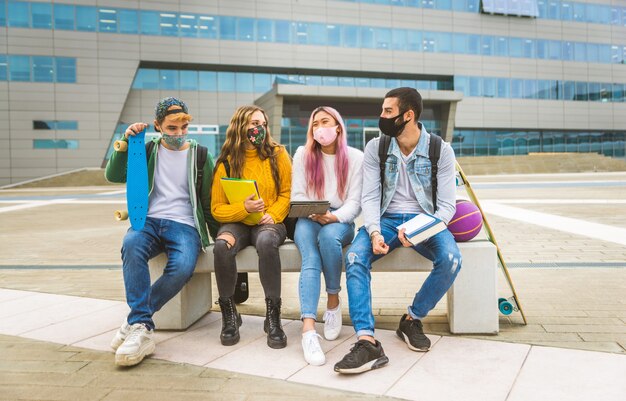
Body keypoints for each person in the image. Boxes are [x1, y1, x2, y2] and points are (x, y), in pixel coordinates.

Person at [334, 87, 461, 374]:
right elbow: (369, 197)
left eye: (387, 111)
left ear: (409, 115)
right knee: (355, 258)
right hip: (386, 219)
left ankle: (412, 319)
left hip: (426, 220)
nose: (382, 116)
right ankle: (366, 341)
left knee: (452, 259)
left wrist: (419, 231)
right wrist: (375, 232)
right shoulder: (376, 148)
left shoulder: (440, 150)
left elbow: (446, 208)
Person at [105, 97, 219, 366]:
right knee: (131, 244)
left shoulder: (201, 155)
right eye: (171, 128)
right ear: (158, 126)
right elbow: (114, 175)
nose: (179, 134)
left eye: (183, 128)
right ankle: (142, 327)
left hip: (185, 225)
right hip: (149, 220)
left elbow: (208, 201)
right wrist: (125, 143)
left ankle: (135, 321)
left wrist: (219, 236)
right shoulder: (144, 150)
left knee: (182, 266)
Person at [211, 105, 292, 349]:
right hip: (237, 223)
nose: (260, 129)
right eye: (254, 123)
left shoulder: (278, 154)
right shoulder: (225, 162)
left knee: (267, 242)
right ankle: (229, 313)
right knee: (222, 246)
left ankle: (273, 316)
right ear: (240, 126)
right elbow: (216, 208)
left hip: (269, 223)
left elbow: (287, 193)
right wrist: (244, 208)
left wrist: (274, 214)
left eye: (264, 124)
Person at [291, 106, 363, 366]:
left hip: (340, 218)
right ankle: (308, 330)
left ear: (338, 127)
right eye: (315, 124)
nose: (319, 128)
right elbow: (297, 196)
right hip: (308, 216)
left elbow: (355, 202)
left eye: (325, 122)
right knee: (310, 257)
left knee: (329, 237)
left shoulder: (356, 158)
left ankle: (333, 302)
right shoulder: (303, 155)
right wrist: (315, 212)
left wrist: (333, 217)